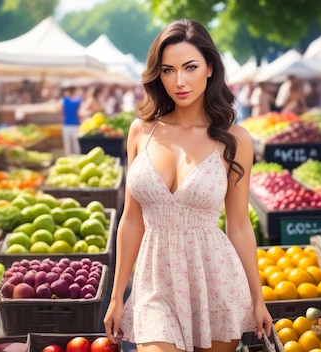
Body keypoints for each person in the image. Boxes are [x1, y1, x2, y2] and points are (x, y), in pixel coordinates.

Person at [103, 19, 272, 352]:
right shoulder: (141, 131)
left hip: (215, 282)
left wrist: (258, 298)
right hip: (154, 284)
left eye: (189, 67)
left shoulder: (234, 140)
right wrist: (116, 295)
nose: (178, 81)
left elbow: (238, 225)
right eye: (167, 70)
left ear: (209, 68)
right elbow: (132, 220)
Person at [58, 86, 83, 155]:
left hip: (67, 124)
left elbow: (59, 110)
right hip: (76, 124)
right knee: (76, 145)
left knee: (67, 145)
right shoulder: (79, 101)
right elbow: (80, 113)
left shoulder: (64, 100)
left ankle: (68, 158)